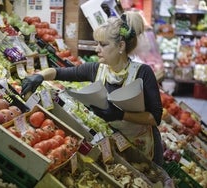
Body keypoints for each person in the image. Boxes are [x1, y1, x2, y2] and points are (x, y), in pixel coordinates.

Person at [21, 11, 164, 166]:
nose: (97, 49)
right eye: (97, 44)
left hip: (143, 146)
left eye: (103, 44)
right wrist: (40, 76)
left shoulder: (143, 73)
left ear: (121, 46)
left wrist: (121, 115)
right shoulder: (97, 69)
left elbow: (155, 118)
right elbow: (62, 73)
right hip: (115, 146)